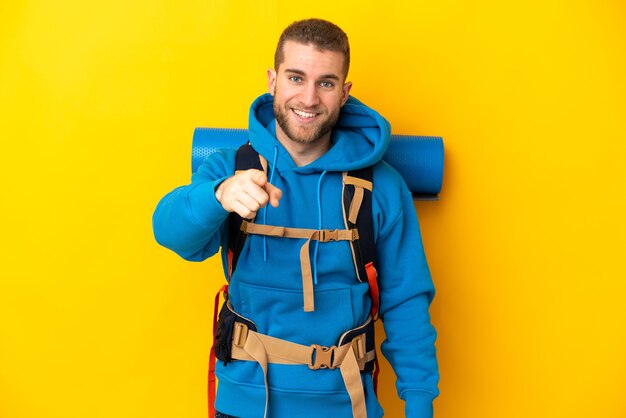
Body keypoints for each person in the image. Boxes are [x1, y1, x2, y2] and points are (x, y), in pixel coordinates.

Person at [153, 18, 439, 418]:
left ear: (344, 92)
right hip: (244, 403)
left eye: (326, 82)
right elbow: (169, 232)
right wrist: (218, 196)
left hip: (346, 404)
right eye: (295, 77)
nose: (308, 98)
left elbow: (406, 302)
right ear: (272, 81)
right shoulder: (232, 169)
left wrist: (420, 404)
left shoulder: (381, 186)